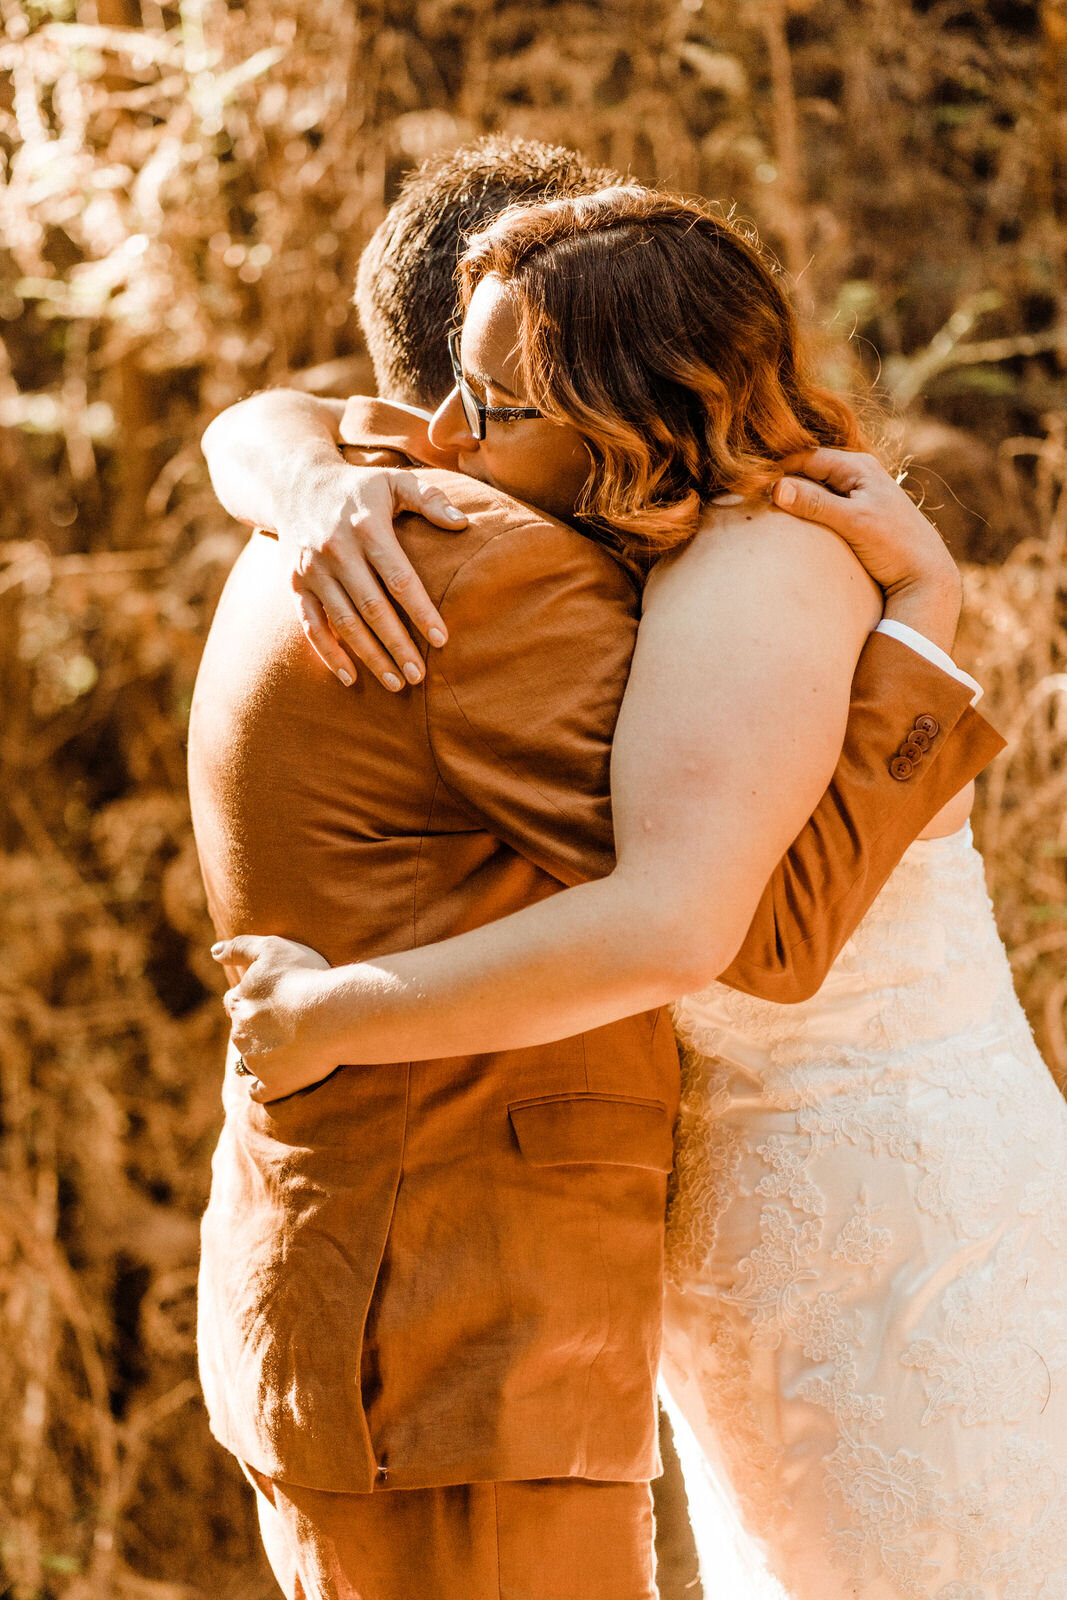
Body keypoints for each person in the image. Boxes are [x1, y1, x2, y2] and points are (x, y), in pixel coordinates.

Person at [192, 146, 1000, 1600]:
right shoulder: (550, 521)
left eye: (490, 403)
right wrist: (299, 467)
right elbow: (277, 423)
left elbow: (732, 928)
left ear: (636, 414)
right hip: (726, 1241)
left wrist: (336, 1015)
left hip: (891, 1201)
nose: (432, 440)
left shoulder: (724, 571)